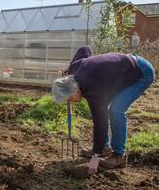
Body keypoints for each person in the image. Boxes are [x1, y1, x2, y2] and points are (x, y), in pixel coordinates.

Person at [52, 46, 154, 175]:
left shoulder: (94, 89)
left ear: (76, 89)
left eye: (70, 98)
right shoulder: (73, 70)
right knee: (100, 110)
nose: (70, 102)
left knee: (115, 110)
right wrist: (69, 66)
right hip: (121, 72)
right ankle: (104, 148)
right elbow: (85, 50)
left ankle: (119, 155)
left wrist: (95, 157)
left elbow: (101, 124)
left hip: (140, 72)